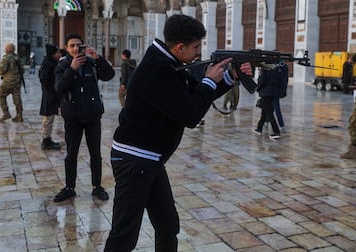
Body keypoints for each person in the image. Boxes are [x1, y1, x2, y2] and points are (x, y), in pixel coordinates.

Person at [104, 14, 252, 252]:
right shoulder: (157, 70)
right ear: (180, 46)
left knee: (167, 225)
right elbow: (190, 115)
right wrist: (209, 82)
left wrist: (228, 77)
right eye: (195, 47)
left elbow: (195, 96)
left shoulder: (169, 63)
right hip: (135, 160)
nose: (198, 53)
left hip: (151, 160)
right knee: (124, 236)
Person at [53, 34, 115, 202]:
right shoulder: (63, 66)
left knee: (95, 154)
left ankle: (97, 186)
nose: (75, 49)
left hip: (92, 116)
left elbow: (110, 75)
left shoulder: (91, 64)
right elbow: (59, 88)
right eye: (71, 45)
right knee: (71, 154)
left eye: (78, 46)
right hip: (73, 117)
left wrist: (99, 58)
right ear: (66, 48)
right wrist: (71, 69)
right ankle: (69, 187)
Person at [253, 61, 287, 139]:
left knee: (269, 113)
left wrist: (258, 88)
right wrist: (282, 91)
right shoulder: (278, 67)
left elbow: (262, 80)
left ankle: (276, 132)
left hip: (266, 92)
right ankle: (259, 128)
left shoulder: (265, 66)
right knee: (265, 111)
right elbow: (283, 80)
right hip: (274, 92)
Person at [39, 44, 62, 150]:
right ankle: (46, 141)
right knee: (48, 118)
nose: (59, 54)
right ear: (52, 54)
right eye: (57, 52)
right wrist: (51, 89)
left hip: (51, 94)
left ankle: (47, 139)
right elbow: (44, 79)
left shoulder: (52, 63)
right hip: (49, 95)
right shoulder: (48, 64)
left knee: (50, 118)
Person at [0, 42, 24, 123]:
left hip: (8, 81)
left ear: (7, 49)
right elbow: (22, 70)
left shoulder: (6, 58)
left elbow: (2, 70)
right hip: (17, 81)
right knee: (17, 98)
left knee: (1, 96)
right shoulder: (17, 57)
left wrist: (1, 72)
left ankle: (6, 113)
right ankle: (19, 115)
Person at [272, 61, 288, 130]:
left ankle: (281, 125)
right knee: (271, 107)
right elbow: (285, 80)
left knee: (272, 107)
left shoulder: (270, 65)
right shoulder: (283, 66)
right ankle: (264, 122)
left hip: (271, 90)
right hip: (277, 90)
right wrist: (283, 91)